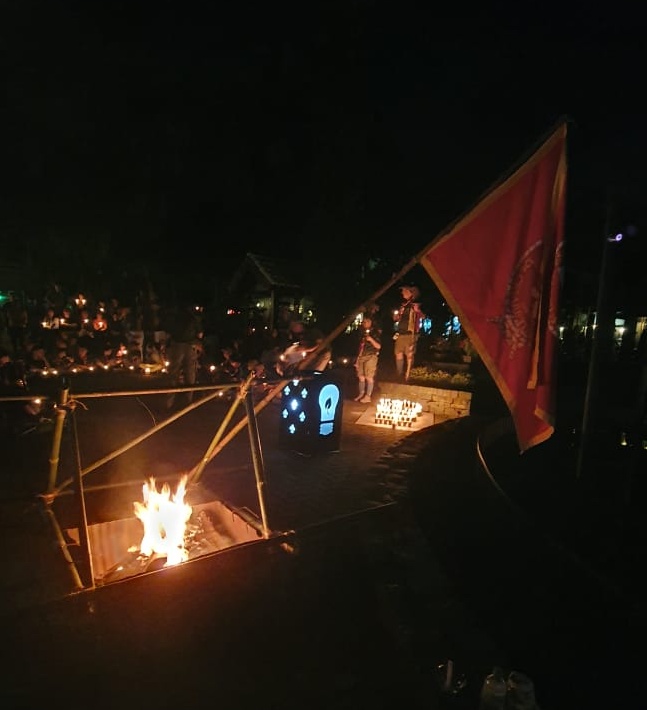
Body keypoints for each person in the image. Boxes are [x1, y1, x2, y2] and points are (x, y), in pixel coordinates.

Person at [163, 303, 203, 411]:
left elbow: (168, 333)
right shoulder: (193, 318)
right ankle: (188, 401)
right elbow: (200, 335)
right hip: (190, 346)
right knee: (190, 373)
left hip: (176, 346)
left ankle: (169, 402)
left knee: (173, 374)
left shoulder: (174, 318)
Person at [393, 283, 425, 382]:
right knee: (398, 353)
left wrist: (418, 311)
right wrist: (397, 317)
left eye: (404, 290)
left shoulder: (415, 304)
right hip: (401, 333)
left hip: (410, 333)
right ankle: (399, 374)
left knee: (409, 354)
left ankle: (408, 375)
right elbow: (398, 319)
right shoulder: (404, 305)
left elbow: (422, 316)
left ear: (410, 292)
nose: (402, 293)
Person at [353, 315, 381, 403]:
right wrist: (358, 359)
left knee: (369, 376)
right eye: (364, 322)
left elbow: (378, 346)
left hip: (371, 356)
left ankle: (368, 396)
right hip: (362, 356)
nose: (365, 323)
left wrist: (371, 339)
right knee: (361, 376)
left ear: (371, 322)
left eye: (367, 321)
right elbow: (360, 346)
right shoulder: (361, 333)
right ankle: (361, 393)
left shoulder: (375, 333)